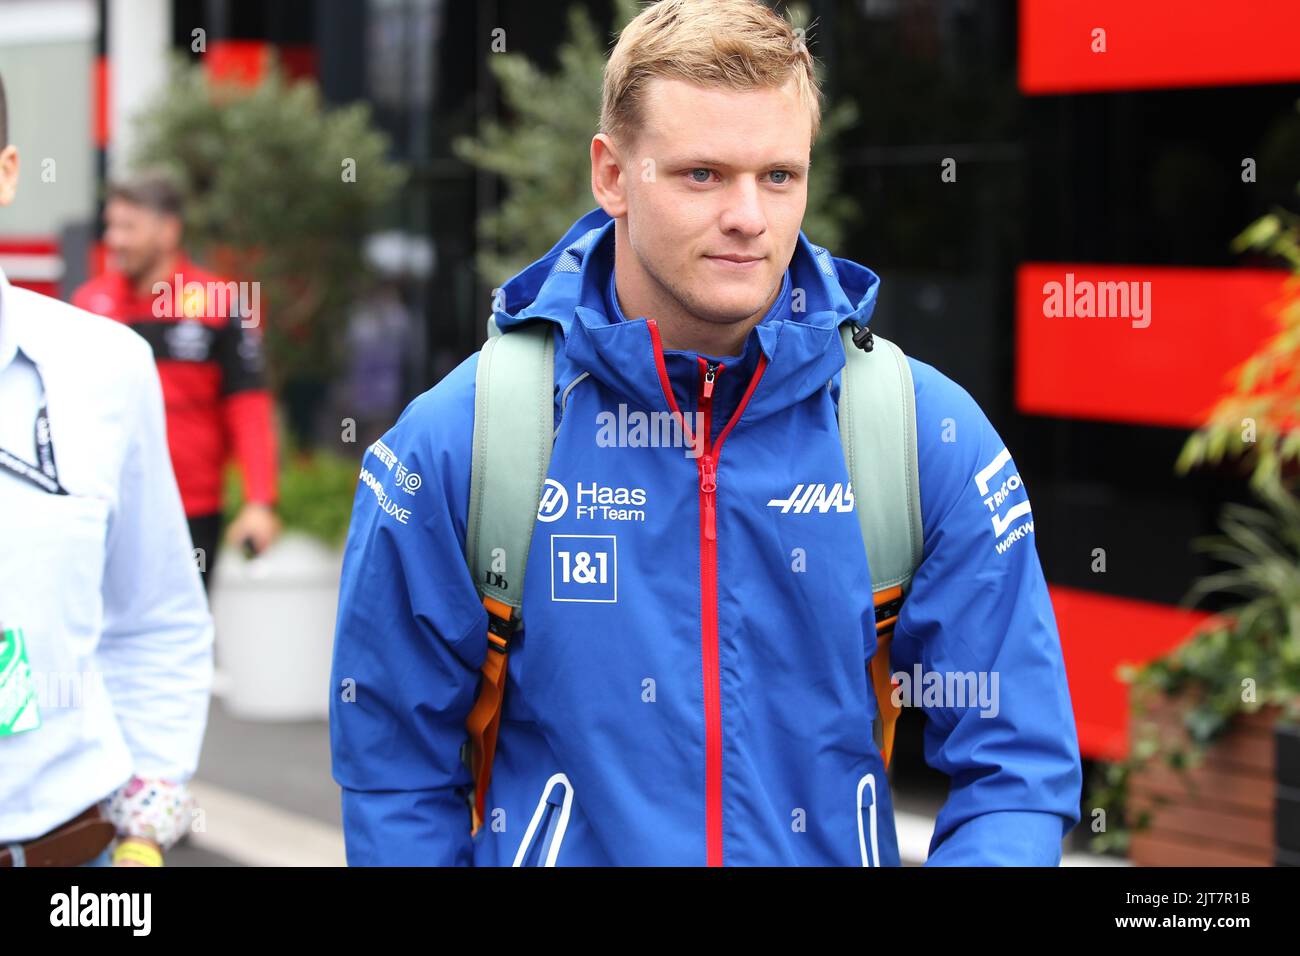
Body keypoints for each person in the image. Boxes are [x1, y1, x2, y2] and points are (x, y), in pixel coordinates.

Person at [330, 0, 1082, 866]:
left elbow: (1016, 766)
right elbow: (393, 774)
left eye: (778, 176)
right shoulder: (469, 439)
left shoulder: (919, 434)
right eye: (701, 175)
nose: (749, 218)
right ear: (612, 175)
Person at [0, 73, 213, 867]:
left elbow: (157, 619)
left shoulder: (101, 363)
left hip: (73, 861)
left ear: (9, 170)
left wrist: (146, 830)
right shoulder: (101, 295)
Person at [72, 171, 280, 588]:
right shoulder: (88, 305)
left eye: (128, 227)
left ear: (168, 231)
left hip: (191, 511)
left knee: (182, 638)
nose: (115, 240)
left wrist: (259, 501)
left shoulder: (219, 303)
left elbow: (248, 406)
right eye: (111, 226)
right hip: (104, 505)